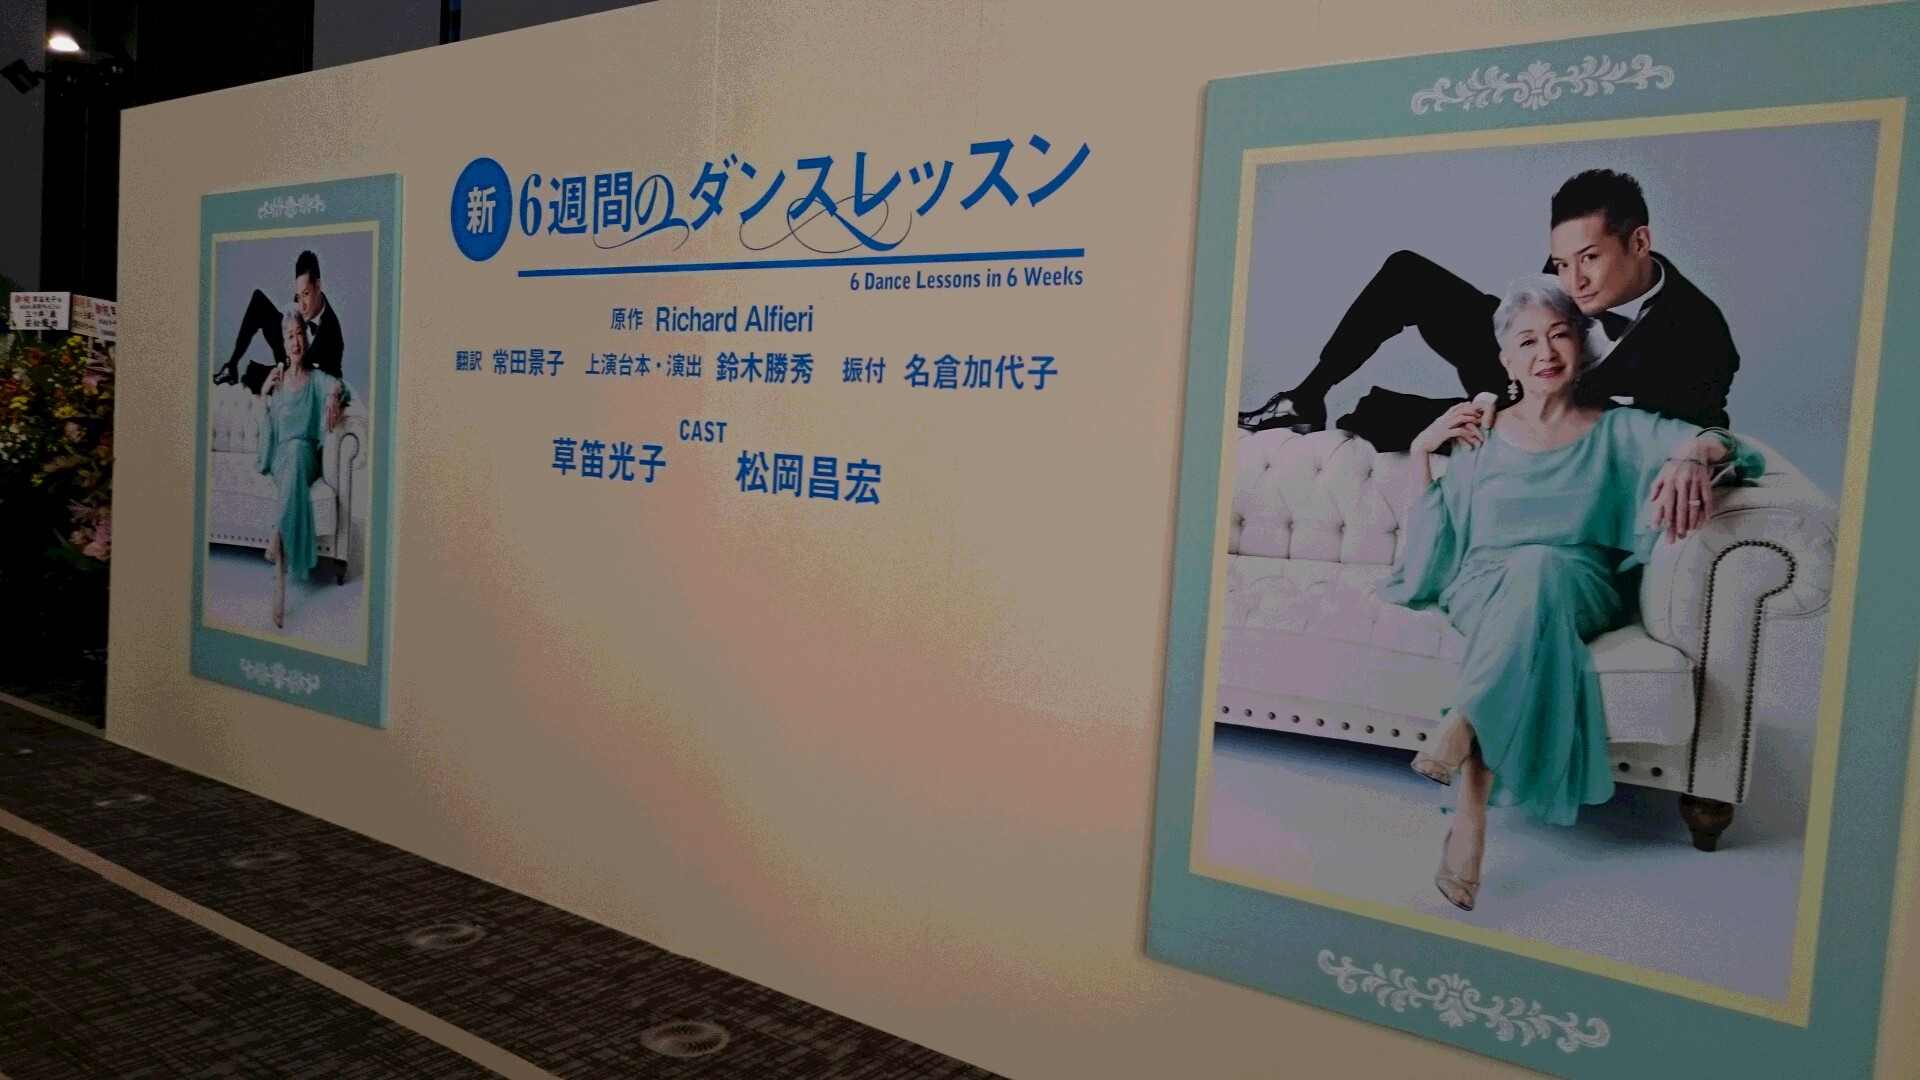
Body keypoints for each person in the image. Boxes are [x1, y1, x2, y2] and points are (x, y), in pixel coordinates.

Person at [1374, 275, 1763, 912]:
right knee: (1522, 592)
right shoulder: (1480, 433)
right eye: (1527, 341)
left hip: (1579, 583)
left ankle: (1464, 745)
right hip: (1485, 585)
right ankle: (1470, 812)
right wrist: (1422, 448)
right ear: (1506, 360)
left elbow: (1735, 449)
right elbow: (1436, 534)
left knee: (1539, 570)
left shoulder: (1619, 429)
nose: (1545, 352)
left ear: (1581, 347)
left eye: (1559, 335)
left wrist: (1695, 451)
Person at [1239, 170, 1740, 452]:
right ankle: (1304, 399)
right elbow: (1526, 321)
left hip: (1557, 412)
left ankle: (1423, 419)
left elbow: (1706, 428)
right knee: (1407, 272)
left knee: (1377, 418)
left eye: (1590, 258)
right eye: (1562, 264)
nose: (1574, 281)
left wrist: (1508, 411)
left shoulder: (1700, 335)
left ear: (1640, 242)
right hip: (1518, 363)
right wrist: (1493, 383)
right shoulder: (1568, 270)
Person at [257, 308, 349, 629]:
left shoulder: (316, 378)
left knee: (297, 450)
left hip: (305, 456)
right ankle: (280, 581)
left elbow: (338, 385)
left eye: (299, 333)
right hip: (282, 458)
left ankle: (275, 534)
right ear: (283, 343)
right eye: (289, 336)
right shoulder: (279, 381)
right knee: (290, 461)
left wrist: (333, 396)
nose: (295, 341)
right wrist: (265, 393)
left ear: (305, 339)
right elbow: (270, 431)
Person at [215, 249, 345, 392]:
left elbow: (334, 378)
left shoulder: (333, 333)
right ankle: (231, 367)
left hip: (301, 375)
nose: (301, 305)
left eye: (306, 294)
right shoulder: (302, 301)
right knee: (259, 301)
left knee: (253, 377)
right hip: (288, 349)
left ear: (318, 286)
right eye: (298, 296)